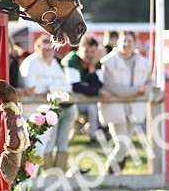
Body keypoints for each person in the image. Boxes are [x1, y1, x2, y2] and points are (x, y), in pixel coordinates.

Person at [19, 36, 76, 174]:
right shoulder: (31, 63)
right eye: (44, 50)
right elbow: (31, 88)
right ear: (36, 48)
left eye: (50, 50)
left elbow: (67, 86)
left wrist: (50, 88)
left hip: (47, 112)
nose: (47, 53)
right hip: (29, 112)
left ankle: (36, 177)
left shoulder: (55, 64)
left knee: (42, 147)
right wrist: (54, 89)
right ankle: (25, 179)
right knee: (27, 148)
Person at [99, 30, 150, 174]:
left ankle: (116, 175)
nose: (127, 44)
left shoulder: (144, 62)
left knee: (125, 146)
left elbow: (148, 83)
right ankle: (106, 175)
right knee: (121, 145)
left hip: (134, 109)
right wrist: (135, 91)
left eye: (130, 41)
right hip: (115, 108)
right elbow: (111, 87)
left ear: (135, 43)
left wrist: (144, 90)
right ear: (118, 42)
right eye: (124, 41)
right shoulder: (108, 62)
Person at [61, 35, 106, 143]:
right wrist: (96, 91)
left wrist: (91, 70)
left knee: (93, 107)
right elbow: (75, 87)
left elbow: (99, 85)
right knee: (92, 106)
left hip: (85, 101)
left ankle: (95, 136)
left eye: (93, 51)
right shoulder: (71, 60)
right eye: (86, 51)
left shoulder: (96, 63)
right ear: (79, 50)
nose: (90, 55)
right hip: (66, 102)